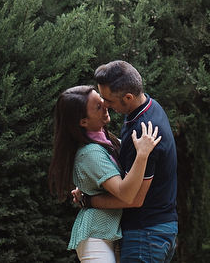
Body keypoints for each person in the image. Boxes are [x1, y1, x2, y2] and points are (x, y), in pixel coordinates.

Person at [75, 61, 178, 263]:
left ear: (128, 98)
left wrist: (89, 200)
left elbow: (134, 198)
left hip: (146, 234)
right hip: (158, 230)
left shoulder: (142, 132)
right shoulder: (149, 107)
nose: (105, 105)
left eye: (108, 100)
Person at [49, 85, 162, 263]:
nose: (106, 106)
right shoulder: (90, 153)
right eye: (98, 107)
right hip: (96, 237)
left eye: (102, 101)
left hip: (112, 234)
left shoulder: (107, 139)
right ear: (83, 121)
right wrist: (142, 155)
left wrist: (88, 195)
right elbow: (126, 194)